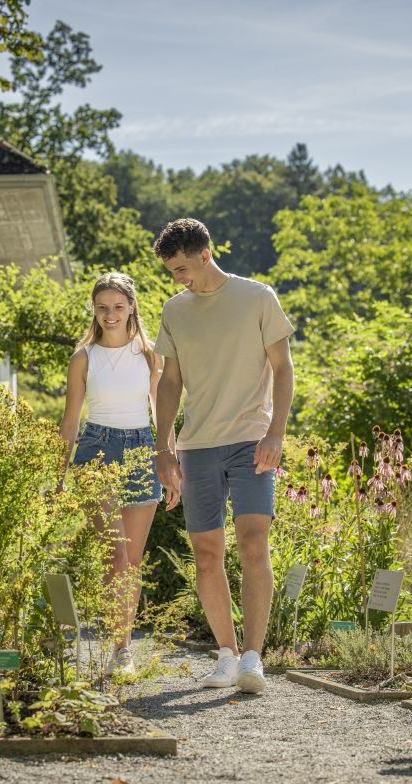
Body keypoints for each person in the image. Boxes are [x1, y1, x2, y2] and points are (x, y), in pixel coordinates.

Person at [153, 219, 295, 694]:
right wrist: (164, 447)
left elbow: (283, 368)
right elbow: (170, 382)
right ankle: (227, 656)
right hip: (197, 446)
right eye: (172, 272)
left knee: (254, 544)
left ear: (205, 254)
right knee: (207, 555)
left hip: (251, 441)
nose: (178, 279)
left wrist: (276, 433)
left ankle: (253, 658)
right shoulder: (175, 310)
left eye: (182, 269)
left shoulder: (257, 297)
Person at [59, 272, 178, 675]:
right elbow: (70, 421)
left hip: (142, 449)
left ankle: (121, 649)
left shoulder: (150, 355)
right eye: (102, 307)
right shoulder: (84, 357)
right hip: (96, 451)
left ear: (131, 308)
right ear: (94, 310)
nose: (110, 314)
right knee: (115, 554)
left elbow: (163, 414)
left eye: (117, 307)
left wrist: (170, 463)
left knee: (132, 561)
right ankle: (118, 642)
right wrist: (58, 476)